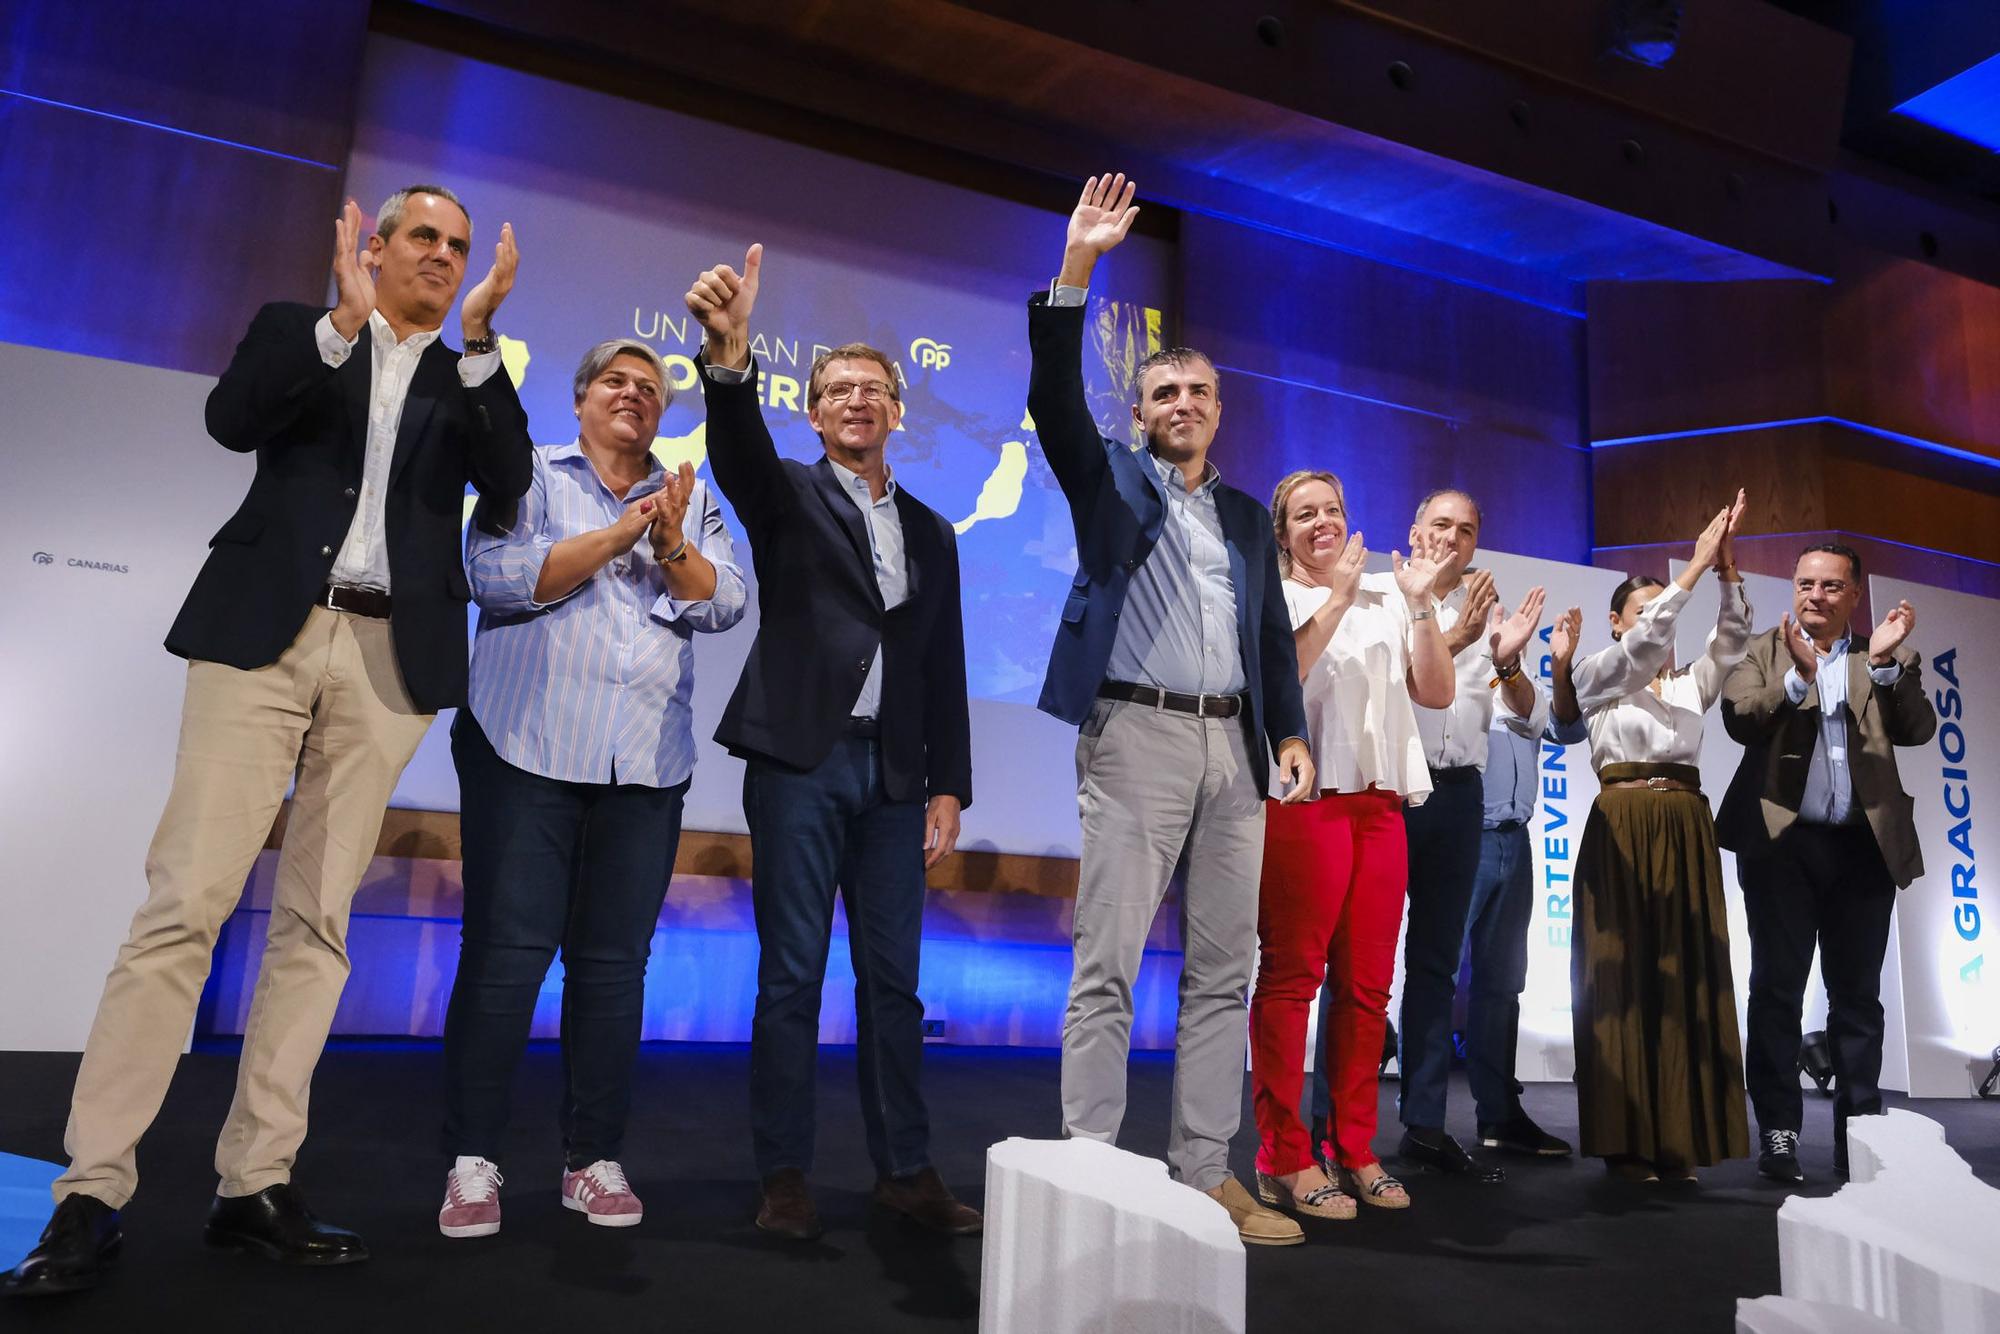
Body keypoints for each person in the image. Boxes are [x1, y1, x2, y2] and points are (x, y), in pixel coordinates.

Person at [6, 187, 532, 1296]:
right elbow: (232, 419)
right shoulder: (300, 329)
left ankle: (254, 1183)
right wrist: (341, 327)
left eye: (458, 245)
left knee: (317, 924)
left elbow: (511, 486)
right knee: (184, 905)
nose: (442, 255)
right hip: (265, 637)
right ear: (375, 247)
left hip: (390, 662)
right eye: (423, 238)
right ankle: (90, 1191)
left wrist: (480, 342)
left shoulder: (471, 373)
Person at [1028, 175, 1315, 1247]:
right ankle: (1092, 1169)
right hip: (1135, 732)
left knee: (1221, 970)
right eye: (1163, 394)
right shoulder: (1106, 478)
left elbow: (1268, 642)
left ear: (1217, 409)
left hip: (1232, 750)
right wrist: (1077, 268)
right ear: (1140, 413)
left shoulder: (1246, 515)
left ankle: (1203, 1170)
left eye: (1197, 392)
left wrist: (1286, 730)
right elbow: (1055, 396)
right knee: (1105, 961)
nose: (1181, 406)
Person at [683, 245, 981, 1242]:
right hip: (801, 761)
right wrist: (727, 359)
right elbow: (734, 452)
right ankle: (784, 1174)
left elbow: (940, 661)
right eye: (837, 389)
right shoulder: (787, 496)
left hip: (897, 777)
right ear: (812, 412)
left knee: (894, 983)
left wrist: (950, 786)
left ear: (896, 410)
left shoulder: (934, 531)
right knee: (791, 974)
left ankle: (904, 1168)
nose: (857, 400)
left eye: (873, 389)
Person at [436, 340, 747, 1237]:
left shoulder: (691, 494)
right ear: (579, 401)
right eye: (616, 381)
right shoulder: (526, 476)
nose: (634, 396)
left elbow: (724, 601)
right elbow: (493, 577)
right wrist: (621, 535)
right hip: (523, 750)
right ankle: (473, 1161)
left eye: (650, 388)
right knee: (505, 961)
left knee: (614, 971)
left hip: (645, 766)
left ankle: (591, 1158)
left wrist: (672, 538)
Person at [1249, 472, 1454, 1220]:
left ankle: (1354, 1145)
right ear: (1282, 534)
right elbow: (1282, 679)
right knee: (1292, 978)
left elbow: (1435, 693)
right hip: (1306, 802)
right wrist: (1335, 595)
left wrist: (1424, 603)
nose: (1323, 522)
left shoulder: (1391, 594)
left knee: (1368, 988)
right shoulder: (1273, 595)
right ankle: (1284, 1156)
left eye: (1333, 508)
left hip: (1381, 806)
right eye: (1305, 514)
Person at [1718, 545, 1935, 1184]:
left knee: (1858, 1001)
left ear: (1855, 594)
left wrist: (1890, 664)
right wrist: (1799, 680)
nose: (1815, 594)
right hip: (1784, 844)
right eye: (1805, 582)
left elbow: (1918, 728)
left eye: (1831, 585)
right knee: (1777, 991)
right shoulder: (1764, 649)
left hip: (1863, 848)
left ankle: (1858, 1135)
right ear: (1793, 586)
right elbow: (1740, 718)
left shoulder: (1882, 651)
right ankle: (1780, 1132)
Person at [1567, 491, 1751, 1183]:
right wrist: (1693, 568)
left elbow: (1730, 644)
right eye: (1641, 614)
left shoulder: (1686, 687)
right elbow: (1643, 647)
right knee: (1620, 979)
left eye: (1664, 614)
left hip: (1684, 825)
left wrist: (1727, 573)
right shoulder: (1598, 675)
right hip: (1623, 825)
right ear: (1616, 623)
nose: (1657, 627)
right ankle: (1625, 1143)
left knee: (1686, 980)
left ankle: (1680, 1136)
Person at [1394, 490, 1545, 1183]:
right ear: (1416, 530)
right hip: (1391, 788)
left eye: (1467, 529)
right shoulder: (1378, 598)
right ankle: (1335, 1126)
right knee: (1359, 964)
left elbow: (1524, 710)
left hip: (1460, 795)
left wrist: (1508, 658)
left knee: (1434, 964)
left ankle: (1423, 1123)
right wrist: (1452, 636)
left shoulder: (1490, 614)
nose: (1453, 537)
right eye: (1441, 525)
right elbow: (1386, 692)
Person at [1462, 619, 1589, 1159]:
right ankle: (1414, 1122)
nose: (1491, 619)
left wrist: (1554, 667)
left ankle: (1499, 1115)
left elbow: (1564, 730)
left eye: (1496, 608)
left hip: (1516, 839)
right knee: (1432, 976)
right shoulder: (1442, 667)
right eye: (1479, 605)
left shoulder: (1511, 679)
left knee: (1503, 983)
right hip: (1462, 835)